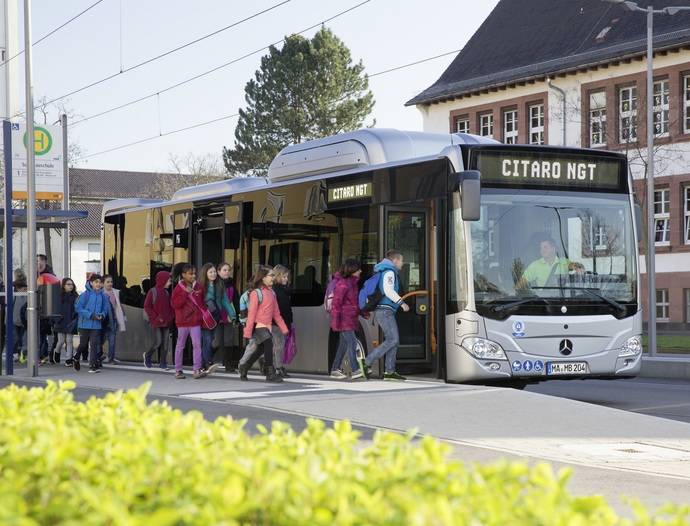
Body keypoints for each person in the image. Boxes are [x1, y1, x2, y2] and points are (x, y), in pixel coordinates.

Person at [357, 250, 410, 381]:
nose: (403, 264)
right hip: (385, 311)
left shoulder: (385, 271)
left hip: (386, 311)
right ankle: (367, 362)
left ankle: (389, 371)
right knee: (393, 340)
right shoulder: (389, 272)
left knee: (393, 340)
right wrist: (401, 303)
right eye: (402, 260)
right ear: (395, 260)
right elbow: (388, 290)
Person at [239, 266, 288, 383]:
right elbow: (251, 314)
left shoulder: (272, 293)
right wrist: (247, 332)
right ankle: (270, 373)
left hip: (267, 326)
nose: (273, 277)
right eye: (271, 275)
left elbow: (276, 313)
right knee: (268, 343)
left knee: (260, 350)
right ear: (263, 278)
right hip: (258, 326)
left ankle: (244, 367)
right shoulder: (256, 293)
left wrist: (284, 328)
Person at [329, 259, 365, 380]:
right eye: (358, 269)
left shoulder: (352, 283)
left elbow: (353, 303)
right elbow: (336, 304)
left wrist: (362, 312)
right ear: (352, 270)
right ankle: (355, 370)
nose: (360, 271)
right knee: (352, 342)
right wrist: (336, 321)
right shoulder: (343, 284)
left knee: (343, 345)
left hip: (349, 318)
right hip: (344, 319)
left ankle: (335, 369)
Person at [171, 264, 207, 380]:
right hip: (182, 322)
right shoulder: (178, 288)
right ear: (183, 275)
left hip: (195, 321)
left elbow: (201, 303)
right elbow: (175, 304)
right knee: (180, 345)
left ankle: (197, 369)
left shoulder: (198, 286)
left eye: (194, 273)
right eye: (190, 274)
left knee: (197, 345)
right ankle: (178, 370)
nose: (193, 276)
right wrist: (186, 293)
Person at [199, 263, 235, 374]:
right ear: (205, 273)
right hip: (204, 317)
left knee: (210, 341)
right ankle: (207, 363)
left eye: (214, 272)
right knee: (208, 340)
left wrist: (232, 314)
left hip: (215, 316)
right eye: (211, 272)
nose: (213, 274)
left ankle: (204, 363)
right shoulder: (200, 286)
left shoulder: (219, 285)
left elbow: (225, 300)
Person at [75, 274, 109, 373]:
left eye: (100, 282)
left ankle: (92, 365)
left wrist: (102, 315)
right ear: (91, 283)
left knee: (94, 344)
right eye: (96, 282)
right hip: (84, 324)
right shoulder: (85, 295)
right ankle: (76, 357)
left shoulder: (103, 296)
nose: (98, 284)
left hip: (96, 325)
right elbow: (78, 308)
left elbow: (105, 309)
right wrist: (91, 315)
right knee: (83, 344)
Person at [519, 237, 584, 289]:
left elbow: (573, 265)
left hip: (562, 299)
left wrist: (578, 267)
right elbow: (520, 284)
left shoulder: (563, 261)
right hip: (543, 302)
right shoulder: (535, 265)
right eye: (541, 248)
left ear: (553, 248)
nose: (542, 250)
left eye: (545, 247)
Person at [143, 271, 174, 370]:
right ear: (163, 280)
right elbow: (147, 306)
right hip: (156, 322)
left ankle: (163, 363)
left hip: (166, 322)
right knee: (158, 342)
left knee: (165, 343)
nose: (170, 282)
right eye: (168, 280)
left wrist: (171, 317)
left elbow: (169, 307)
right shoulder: (152, 291)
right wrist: (156, 317)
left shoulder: (166, 293)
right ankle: (147, 356)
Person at [217, 262, 239, 372]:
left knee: (228, 340)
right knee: (215, 341)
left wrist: (238, 315)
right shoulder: (214, 284)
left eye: (228, 270)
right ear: (218, 272)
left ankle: (228, 364)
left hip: (229, 315)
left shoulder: (231, 284)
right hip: (216, 315)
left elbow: (236, 300)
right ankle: (206, 361)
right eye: (224, 270)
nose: (227, 272)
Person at [271, 264, 293, 378]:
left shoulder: (284, 290)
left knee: (278, 345)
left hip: (284, 322)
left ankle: (271, 364)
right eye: (284, 277)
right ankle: (278, 367)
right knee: (279, 345)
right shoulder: (275, 290)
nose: (286, 279)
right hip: (276, 323)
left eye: (287, 277)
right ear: (277, 277)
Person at [53, 278, 79, 366]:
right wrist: (57, 319)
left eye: (71, 284)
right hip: (60, 321)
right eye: (68, 284)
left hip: (70, 322)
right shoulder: (58, 296)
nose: (70, 286)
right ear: (63, 286)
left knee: (69, 341)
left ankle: (69, 359)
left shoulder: (76, 296)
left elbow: (77, 309)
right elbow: (55, 309)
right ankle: (56, 352)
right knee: (60, 341)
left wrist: (75, 318)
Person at [102, 275, 126, 364]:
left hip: (113, 319)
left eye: (111, 282)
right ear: (103, 283)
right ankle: (97, 356)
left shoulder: (116, 292)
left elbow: (118, 305)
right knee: (100, 340)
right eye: (108, 282)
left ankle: (111, 358)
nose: (110, 284)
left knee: (112, 340)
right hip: (103, 320)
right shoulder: (100, 293)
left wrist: (123, 316)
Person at [12, 272, 28, 364]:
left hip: (23, 321)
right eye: (23, 289)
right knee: (16, 338)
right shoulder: (15, 295)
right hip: (15, 320)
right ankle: (15, 354)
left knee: (21, 338)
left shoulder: (26, 297)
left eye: (25, 289)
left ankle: (20, 354)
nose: (25, 290)